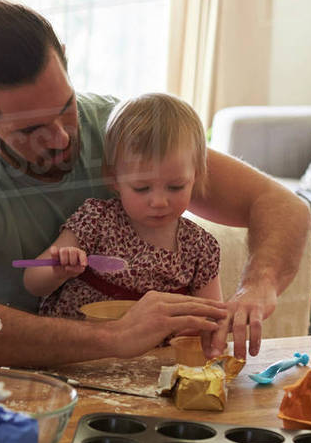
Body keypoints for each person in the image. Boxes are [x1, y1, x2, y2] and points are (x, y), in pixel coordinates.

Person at [0, 0, 310, 367]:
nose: (61, 137)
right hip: (14, 383)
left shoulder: (117, 127)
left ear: (65, 60)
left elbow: (282, 206)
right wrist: (114, 337)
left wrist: (257, 287)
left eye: (66, 107)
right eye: (30, 130)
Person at [24, 92, 222, 319]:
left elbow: (212, 317)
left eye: (176, 187)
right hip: (82, 348)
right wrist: (56, 271)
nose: (159, 202)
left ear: (195, 177)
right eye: (141, 188)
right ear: (114, 179)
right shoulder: (96, 220)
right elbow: (33, 282)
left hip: (158, 354)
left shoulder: (201, 248)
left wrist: (196, 326)